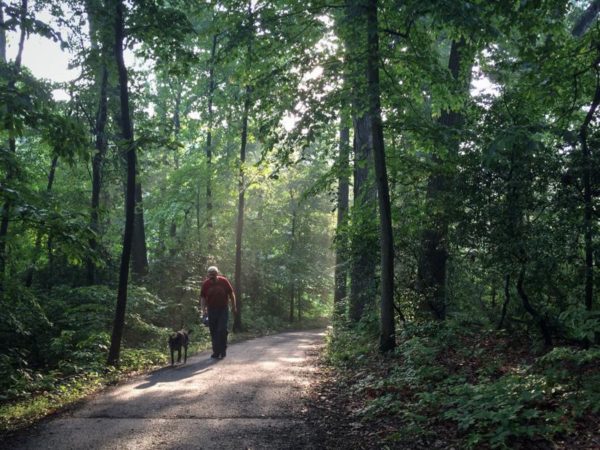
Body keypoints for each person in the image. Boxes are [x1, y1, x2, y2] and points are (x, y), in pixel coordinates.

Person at [200, 266, 237, 358]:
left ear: (217, 274)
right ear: (208, 275)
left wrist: (234, 306)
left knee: (221, 329)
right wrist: (203, 309)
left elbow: (231, 294)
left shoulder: (224, 281)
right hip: (211, 310)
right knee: (213, 331)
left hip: (223, 309)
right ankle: (216, 352)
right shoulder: (206, 284)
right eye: (210, 276)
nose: (211, 278)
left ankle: (223, 349)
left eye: (213, 275)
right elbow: (203, 297)